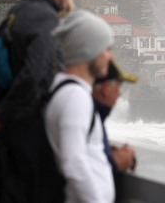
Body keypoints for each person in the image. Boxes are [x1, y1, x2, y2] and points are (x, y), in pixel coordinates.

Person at [0, 0, 80, 203]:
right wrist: (2, 114)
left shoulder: (19, 10)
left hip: (14, 127)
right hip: (29, 131)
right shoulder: (43, 17)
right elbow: (34, 74)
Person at [45, 10, 115, 203]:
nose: (110, 57)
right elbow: (73, 163)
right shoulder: (75, 97)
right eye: (106, 49)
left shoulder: (64, 89)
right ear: (89, 51)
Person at [93, 61, 137, 175]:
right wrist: (115, 162)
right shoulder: (86, 114)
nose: (119, 94)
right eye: (118, 86)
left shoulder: (95, 116)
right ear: (106, 88)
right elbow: (73, 166)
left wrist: (106, 151)